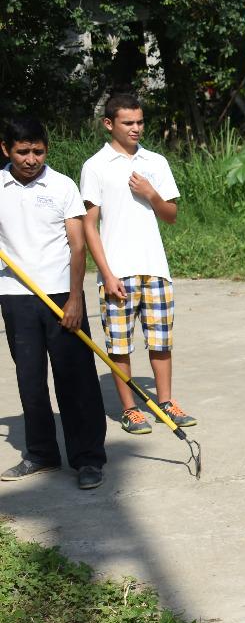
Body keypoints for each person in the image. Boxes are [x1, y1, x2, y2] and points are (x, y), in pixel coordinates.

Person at [0, 116, 107, 490]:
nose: (31, 159)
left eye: (38, 151)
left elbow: (78, 245)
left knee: (76, 379)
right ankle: (42, 454)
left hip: (62, 294)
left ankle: (88, 459)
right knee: (30, 380)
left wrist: (76, 297)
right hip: (15, 297)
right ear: (6, 150)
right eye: (23, 151)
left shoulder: (62, 186)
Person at [80, 92, 194, 435]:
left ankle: (165, 402)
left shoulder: (155, 162)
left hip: (155, 268)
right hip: (117, 272)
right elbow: (89, 224)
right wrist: (106, 273)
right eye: (128, 123)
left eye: (140, 122)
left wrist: (151, 194)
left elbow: (171, 215)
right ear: (108, 124)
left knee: (161, 341)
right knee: (120, 344)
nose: (136, 128)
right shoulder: (95, 166)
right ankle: (130, 409)